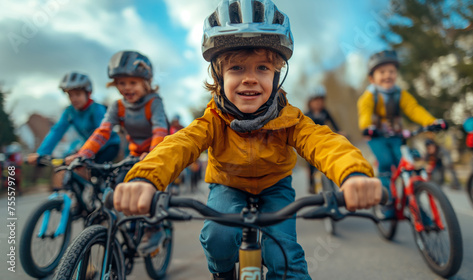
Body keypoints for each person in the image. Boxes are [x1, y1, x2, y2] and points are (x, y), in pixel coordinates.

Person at [114, 1, 382, 279]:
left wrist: (353, 175)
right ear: (219, 76)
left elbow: (324, 142)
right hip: (228, 184)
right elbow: (177, 145)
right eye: (237, 68)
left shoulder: (290, 119)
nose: (250, 79)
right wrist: (144, 179)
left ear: (277, 75)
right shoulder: (213, 120)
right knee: (218, 237)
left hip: (274, 186)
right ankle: (223, 273)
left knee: (284, 256)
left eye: (263, 68)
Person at [66, 50, 170, 255]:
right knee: (117, 191)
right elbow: (102, 131)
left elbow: (160, 130)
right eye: (121, 83)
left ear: (146, 82)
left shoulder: (154, 102)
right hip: (133, 156)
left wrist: (152, 155)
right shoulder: (118, 106)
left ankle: (155, 229)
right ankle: (126, 229)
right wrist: (83, 154)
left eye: (132, 82)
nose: (126, 88)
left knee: (149, 192)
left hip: (156, 155)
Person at [357, 50, 446, 217]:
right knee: (385, 163)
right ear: (372, 78)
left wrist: (431, 122)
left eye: (391, 71)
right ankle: (387, 201)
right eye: (382, 72)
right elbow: (365, 113)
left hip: (397, 136)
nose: (387, 76)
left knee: (407, 165)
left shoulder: (400, 94)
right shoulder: (369, 96)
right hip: (377, 137)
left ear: (396, 74)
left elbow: (414, 109)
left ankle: (415, 205)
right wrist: (367, 126)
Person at [26, 72, 121, 186]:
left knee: (94, 174)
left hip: (108, 146)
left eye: (78, 94)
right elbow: (57, 131)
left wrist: (85, 155)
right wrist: (41, 153)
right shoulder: (69, 112)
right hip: (87, 148)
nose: (74, 98)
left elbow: (101, 134)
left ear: (88, 93)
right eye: (70, 95)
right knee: (70, 169)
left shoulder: (96, 109)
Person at [304, 85, 344, 193]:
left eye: (321, 100)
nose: (318, 103)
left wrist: (339, 132)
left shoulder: (325, 112)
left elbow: (334, 123)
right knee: (310, 164)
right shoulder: (307, 115)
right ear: (310, 102)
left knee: (330, 160)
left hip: (324, 141)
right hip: (311, 143)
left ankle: (333, 181)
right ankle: (311, 183)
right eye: (315, 101)